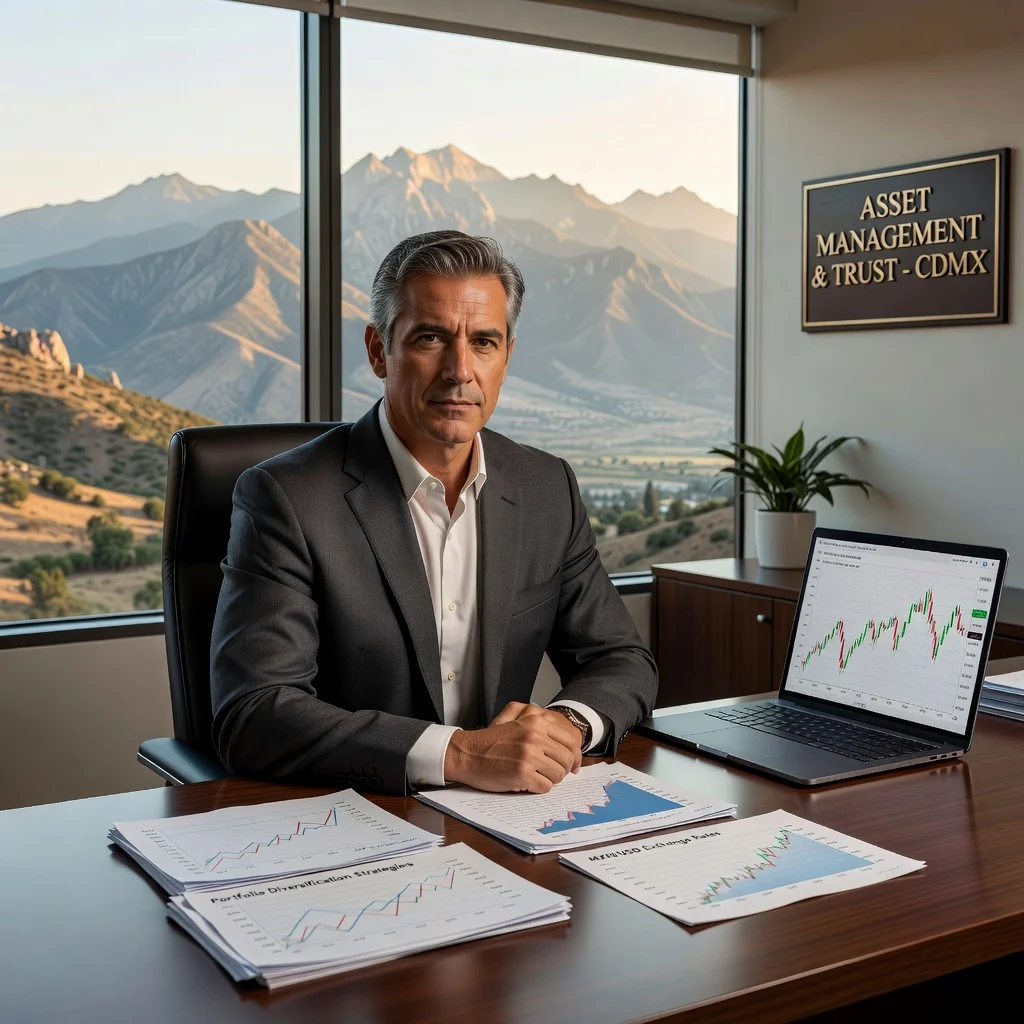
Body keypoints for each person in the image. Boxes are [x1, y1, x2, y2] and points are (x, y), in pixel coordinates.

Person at [210, 230, 658, 795]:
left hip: (509, 815)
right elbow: (255, 713)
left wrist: (563, 726)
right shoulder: (287, 497)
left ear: (507, 356)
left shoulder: (546, 488)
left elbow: (622, 659)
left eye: (485, 342)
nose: (459, 370)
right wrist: (458, 753)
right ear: (379, 351)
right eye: (431, 338)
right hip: (358, 818)